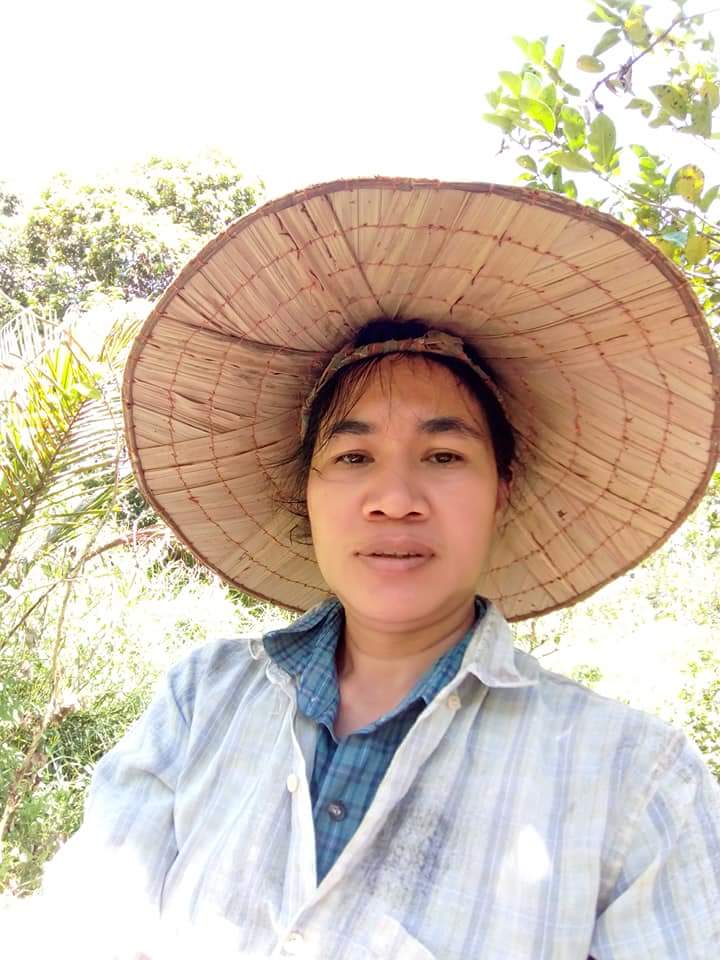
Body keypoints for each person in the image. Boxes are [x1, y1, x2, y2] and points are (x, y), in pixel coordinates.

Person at [8, 177, 720, 958]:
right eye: (352, 457)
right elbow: (88, 922)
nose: (395, 500)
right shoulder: (202, 701)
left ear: (501, 489)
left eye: (443, 455)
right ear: (307, 492)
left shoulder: (635, 781)